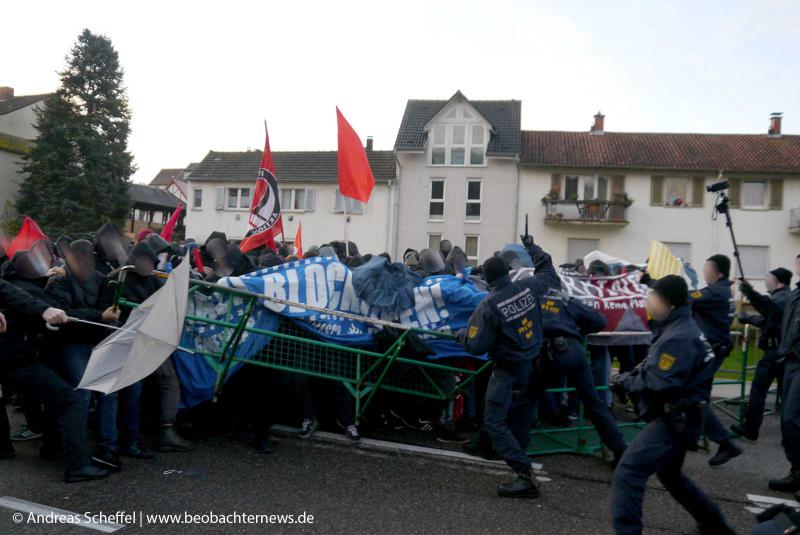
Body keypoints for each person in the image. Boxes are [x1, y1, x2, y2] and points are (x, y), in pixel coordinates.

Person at [609, 275, 735, 534]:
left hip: (675, 419)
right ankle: (715, 525)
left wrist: (624, 381)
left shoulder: (679, 336)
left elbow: (659, 380)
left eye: (653, 296)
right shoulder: (678, 326)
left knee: (629, 472)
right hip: (683, 416)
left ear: (670, 303)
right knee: (670, 475)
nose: (648, 301)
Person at [456, 234, 557, 498]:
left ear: (487, 281)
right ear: (509, 272)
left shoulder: (488, 305)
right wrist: (532, 247)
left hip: (508, 369)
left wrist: (461, 336)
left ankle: (525, 475)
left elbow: (476, 345)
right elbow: (548, 272)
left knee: (493, 419)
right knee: (521, 415)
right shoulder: (528, 287)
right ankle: (486, 447)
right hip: (535, 363)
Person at [0, 275, 109, 482]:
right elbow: (17, 295)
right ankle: (77, 466)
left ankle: (32, 447)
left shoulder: (25, 282)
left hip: (13, 355)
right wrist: (46, 310)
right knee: (71, 400)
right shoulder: (20, 285)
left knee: (53, 396)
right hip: (13, 358)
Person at [47, 239, 123, 471]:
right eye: (79, 259)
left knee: (109, 390)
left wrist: (112, 313)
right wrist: (100, 316)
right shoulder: (58, 282)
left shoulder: (100, 279)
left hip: (96, 342)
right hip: (71, 344)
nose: (85, 265)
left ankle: (108, 447)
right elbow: (65, 313)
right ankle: (76, 453)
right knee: (83, 393)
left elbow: (106, 305)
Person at [537, 285, 628, 465]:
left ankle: (513, 447)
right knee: (594, 403)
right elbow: (599, 321)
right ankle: (620, 449)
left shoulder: (534, 299)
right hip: (574, 350)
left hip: (549, 354)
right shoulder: (567, 300)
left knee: (528, 397)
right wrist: (578, 332)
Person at [734, 267, 792, 440]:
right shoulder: (783, 297)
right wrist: (748, 318)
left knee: (759, 391)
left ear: (778, 281)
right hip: (781, 353)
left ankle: (751, 429)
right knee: (785, 396)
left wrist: (751, 293)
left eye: (768, 276)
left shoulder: (782, 298)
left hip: (775, 353)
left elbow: (770, 310)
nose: (766, 279)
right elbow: (768, 320)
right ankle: (788, 436)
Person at [767, 255, 800, 493]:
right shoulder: (794, 295)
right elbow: (776, 315)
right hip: (789, 360)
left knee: (792, 417)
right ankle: (796, 471)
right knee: (788, 420)